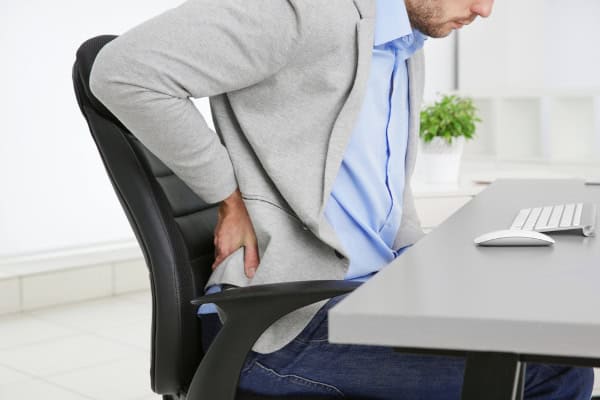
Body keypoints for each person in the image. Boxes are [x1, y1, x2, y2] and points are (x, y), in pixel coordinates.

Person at [89, 0, 594, 398]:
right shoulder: (305, 11)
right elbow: (123, 71)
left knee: (540, 332)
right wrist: (227, 197)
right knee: (550, 370)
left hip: (362, 296)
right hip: (281, 331)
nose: (485, 10)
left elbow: (385, 197)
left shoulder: (400, 47)